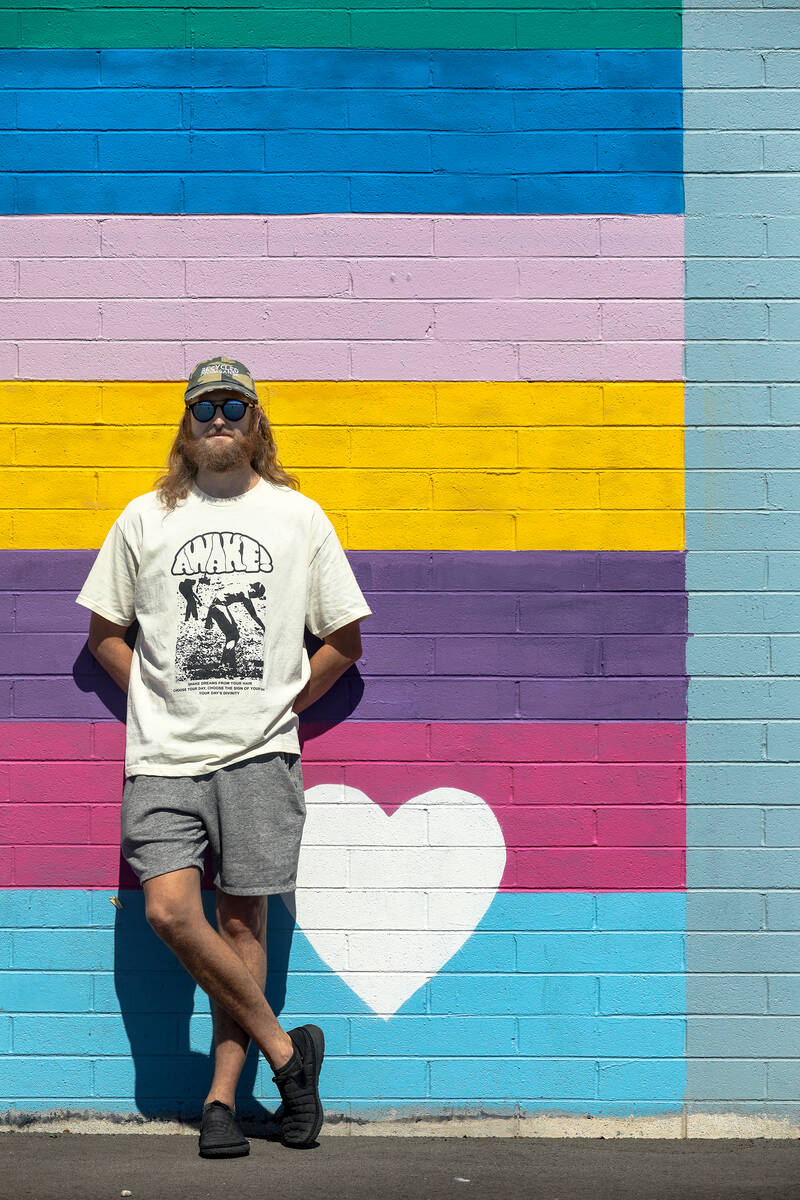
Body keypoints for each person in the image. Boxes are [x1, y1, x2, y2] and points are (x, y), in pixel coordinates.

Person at [75, 356, 372, 1157]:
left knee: (243, 920)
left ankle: (220, 1102)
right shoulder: (144, 518)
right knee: (172, 911)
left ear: (254, 423)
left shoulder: (298, 518)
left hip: (260, 755)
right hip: (164, 756)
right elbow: (104, 633)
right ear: (187, 423)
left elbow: (344, 639)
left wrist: (282, 706)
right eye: (203, 406)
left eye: (233, 406)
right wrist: (154, 696)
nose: (218, 419)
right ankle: (288, 1053)